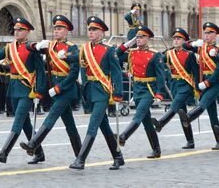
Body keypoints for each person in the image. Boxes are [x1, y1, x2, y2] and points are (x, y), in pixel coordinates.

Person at [0, 17, 48, 165]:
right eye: (15, 30)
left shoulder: (32, 48)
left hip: (26, 89)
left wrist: (39, 91)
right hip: (13, 88)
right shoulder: (10, 47)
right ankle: (39, 153)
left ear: (27, 32)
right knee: (25, 123)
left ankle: (4, 152)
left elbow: (40, 71)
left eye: (20, 30)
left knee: (18, 120)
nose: (17, 32)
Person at [20, 15, 82, 158]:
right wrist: (38, 45)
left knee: (52, 115)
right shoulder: (51, 45)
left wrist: (59, 88)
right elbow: (29, 48)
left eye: (59, 29)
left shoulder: (71, 47)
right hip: (54, 87)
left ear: (66, 31)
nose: (56, 31)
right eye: (55, 29)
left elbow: (73, 73)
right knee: (70, 125)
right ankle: (80, 155)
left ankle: (33, 143)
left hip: (66, 89)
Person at [69, 16, 124, 170]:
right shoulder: (85, 49)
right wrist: (60, 55)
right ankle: (118, 157)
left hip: (102, 91)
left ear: (102, 32)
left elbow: (117, 73)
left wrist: (118, 93)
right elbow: (74, 59)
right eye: (90, 29)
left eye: (94, 30)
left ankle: (80, 159)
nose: (91, 32)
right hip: (90, 91)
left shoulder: (109, 50)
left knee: (93, 124)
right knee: (103, 126)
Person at [116, 25, 165, 158]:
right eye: (137, 37)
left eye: (141, 37)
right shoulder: (132, 52)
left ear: (148, 38)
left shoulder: (155, 55)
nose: (138, 39)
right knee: (147, 122)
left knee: (138, 115)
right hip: (137, 89)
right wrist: (128, 44)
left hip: (148, 89)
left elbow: (161, 76)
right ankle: (156, 149)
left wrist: (159, 93)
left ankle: (124, 136)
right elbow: (116, 54)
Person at [178, 22, 219, 150]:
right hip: (203, 81)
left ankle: (189, 117)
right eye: (206, 33)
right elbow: (183, 45)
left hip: (214, 82)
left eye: (210, 33)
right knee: (212, 115)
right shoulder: (201, 47)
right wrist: (193, 44)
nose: (207, 35)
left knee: (203, 103)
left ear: (215, 35)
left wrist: (207, 83)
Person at [152, 27, 199, 149]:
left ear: (184, 41)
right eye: (175, 39)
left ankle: (161, 123)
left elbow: (196, 72)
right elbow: (159, 62)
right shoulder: (169, 53)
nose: (176, 41)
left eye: (179, 39)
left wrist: (199, 88)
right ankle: (190, 141)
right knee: (182, 113)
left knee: (176, 105)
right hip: (175, 86)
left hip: (186, 85)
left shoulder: (190, 55)